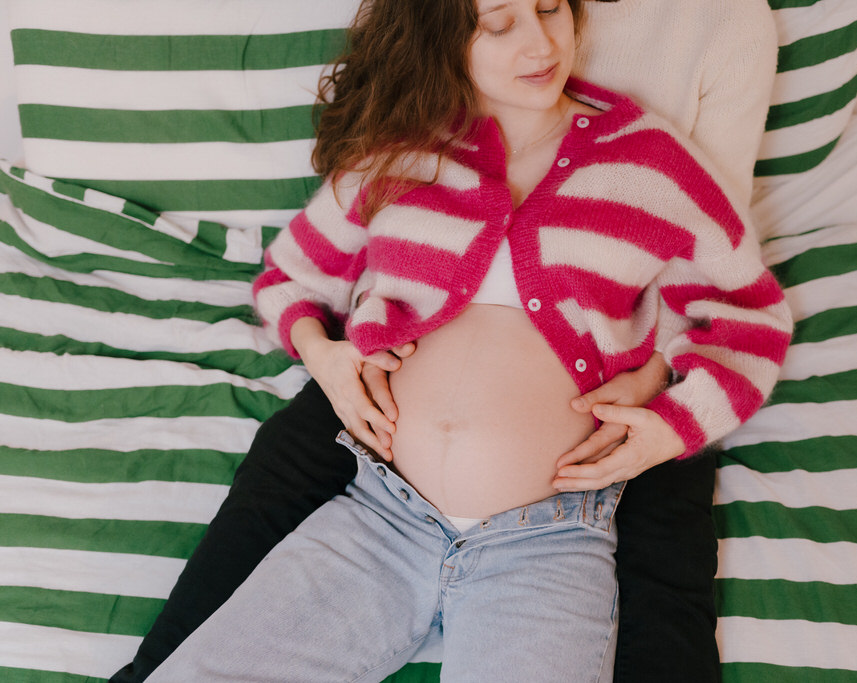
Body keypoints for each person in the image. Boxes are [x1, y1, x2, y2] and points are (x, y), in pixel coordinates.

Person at [111, 0, 782, 680]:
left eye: (552, 9)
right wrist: (328, 352)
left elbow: (746, 314)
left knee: (669, 588)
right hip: (380, 512)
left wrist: (667, 419)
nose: (540, 41)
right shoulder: (406, 154)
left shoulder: (655, 158)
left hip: (545, 538)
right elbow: (293, 275)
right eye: (499, 24)